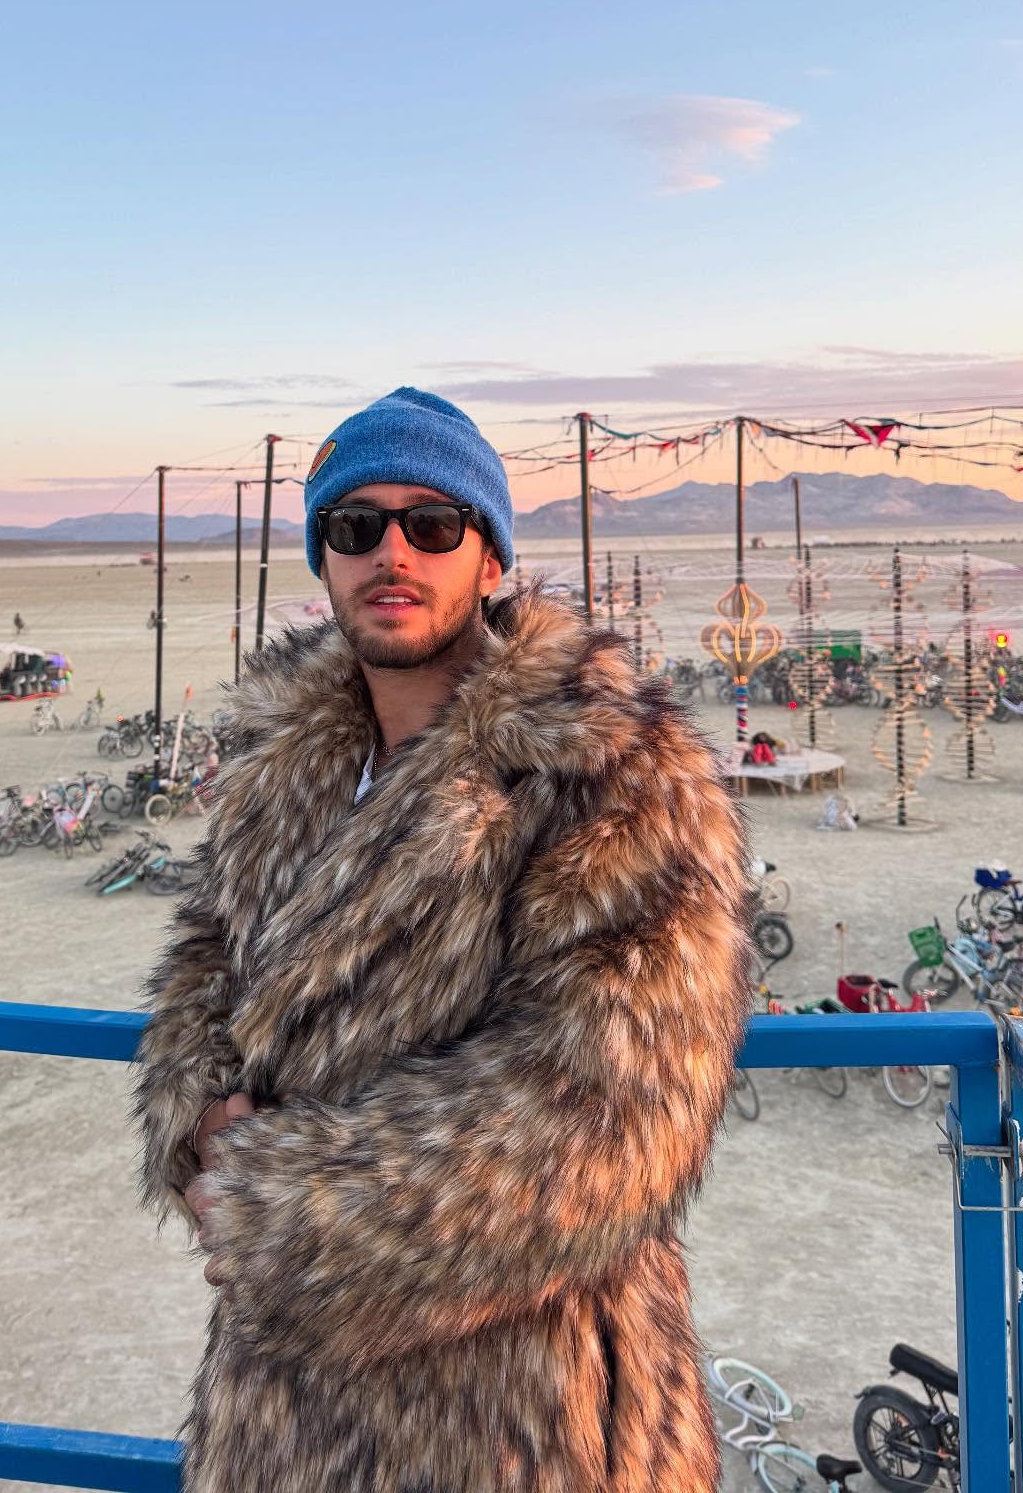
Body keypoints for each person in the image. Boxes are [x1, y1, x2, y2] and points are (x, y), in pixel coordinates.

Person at [134, 386, 753, 1493]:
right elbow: (207, 957)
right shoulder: (283, 774)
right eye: (355, 525)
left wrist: (283, 1208)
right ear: (323, 559)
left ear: (491, 558)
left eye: (433, 524)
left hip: (526, 1405)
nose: (393, 553)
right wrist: (193, 1113)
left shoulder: (606, 769)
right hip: (286, 1408)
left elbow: (617, 1111)